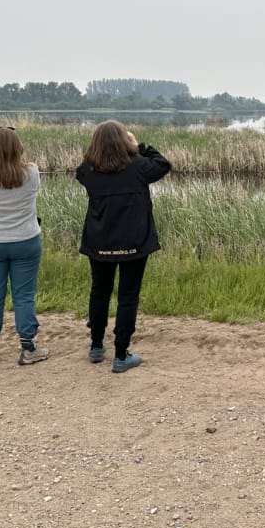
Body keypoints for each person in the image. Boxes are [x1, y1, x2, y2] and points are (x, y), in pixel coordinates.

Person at [76, 120, 172, 373]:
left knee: (99, 292)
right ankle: (121, 354)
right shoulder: (138, 167)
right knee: (127, 298)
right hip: (134, 243)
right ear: (123, 142)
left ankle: (96, 346)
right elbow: (163, 164)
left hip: (99, 243)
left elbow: (80, 170)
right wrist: (137, 145)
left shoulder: (89, 171)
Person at [0, 125, 48, 367]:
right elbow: (23, 178)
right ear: (19, 148)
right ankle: (28, 348)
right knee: (23, 295)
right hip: (25, 242)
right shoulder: (32, 173)